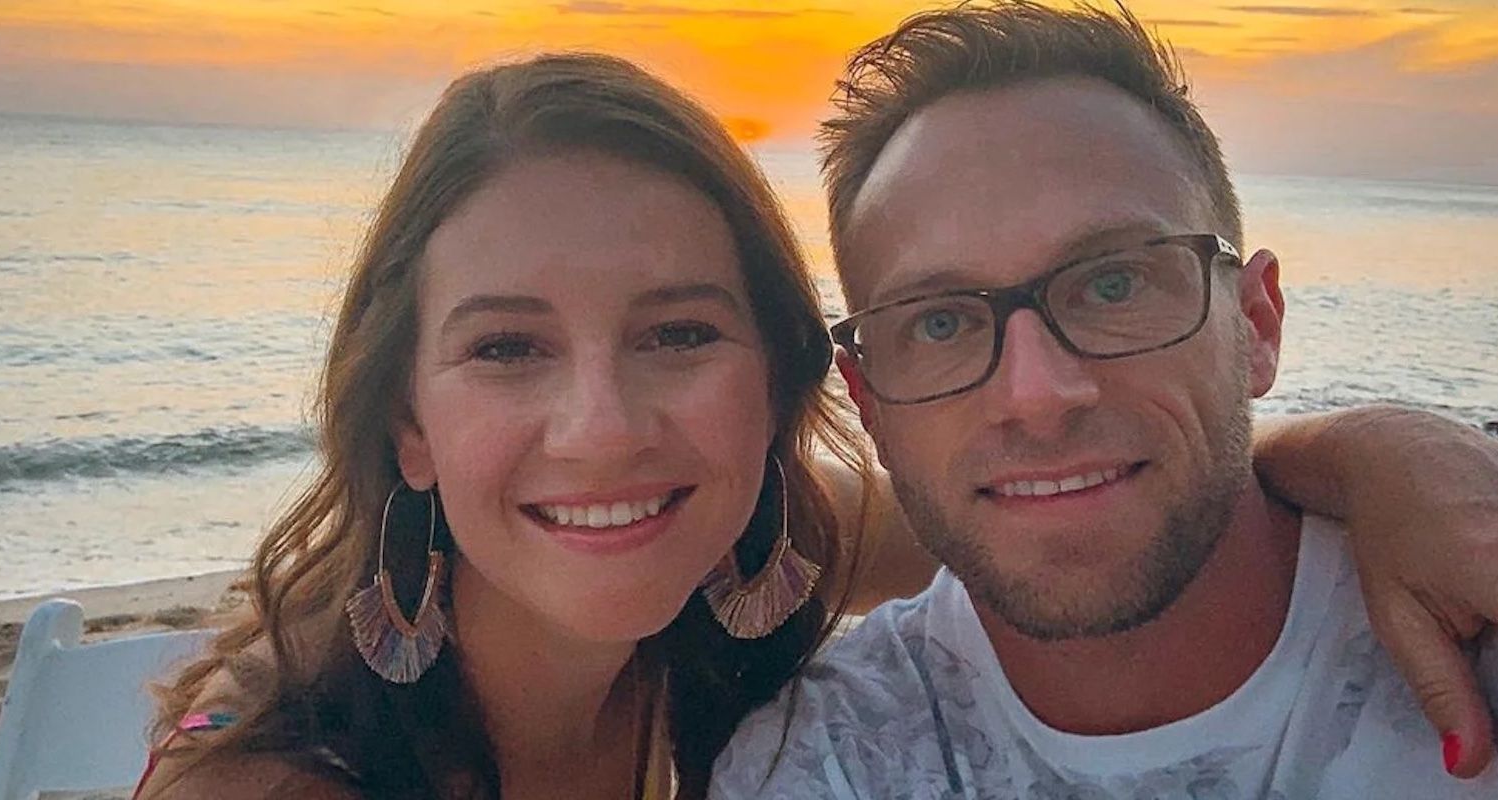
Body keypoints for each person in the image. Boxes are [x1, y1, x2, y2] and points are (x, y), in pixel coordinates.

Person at [131, 50, 1498, 800]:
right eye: (505, 348)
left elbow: (1079, 483)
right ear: (404, 429)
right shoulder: (289, 782)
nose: (602, 429)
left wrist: (1387, 457)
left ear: (791, 387)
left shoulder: (755, 565)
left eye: (677, 334)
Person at [711, 3, 1498, 798]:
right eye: (940, 322)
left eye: (1112, 284)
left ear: (1255, 325)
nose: (1038, 396)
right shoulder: (822, 765)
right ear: (868, 401)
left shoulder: (1467, 605)